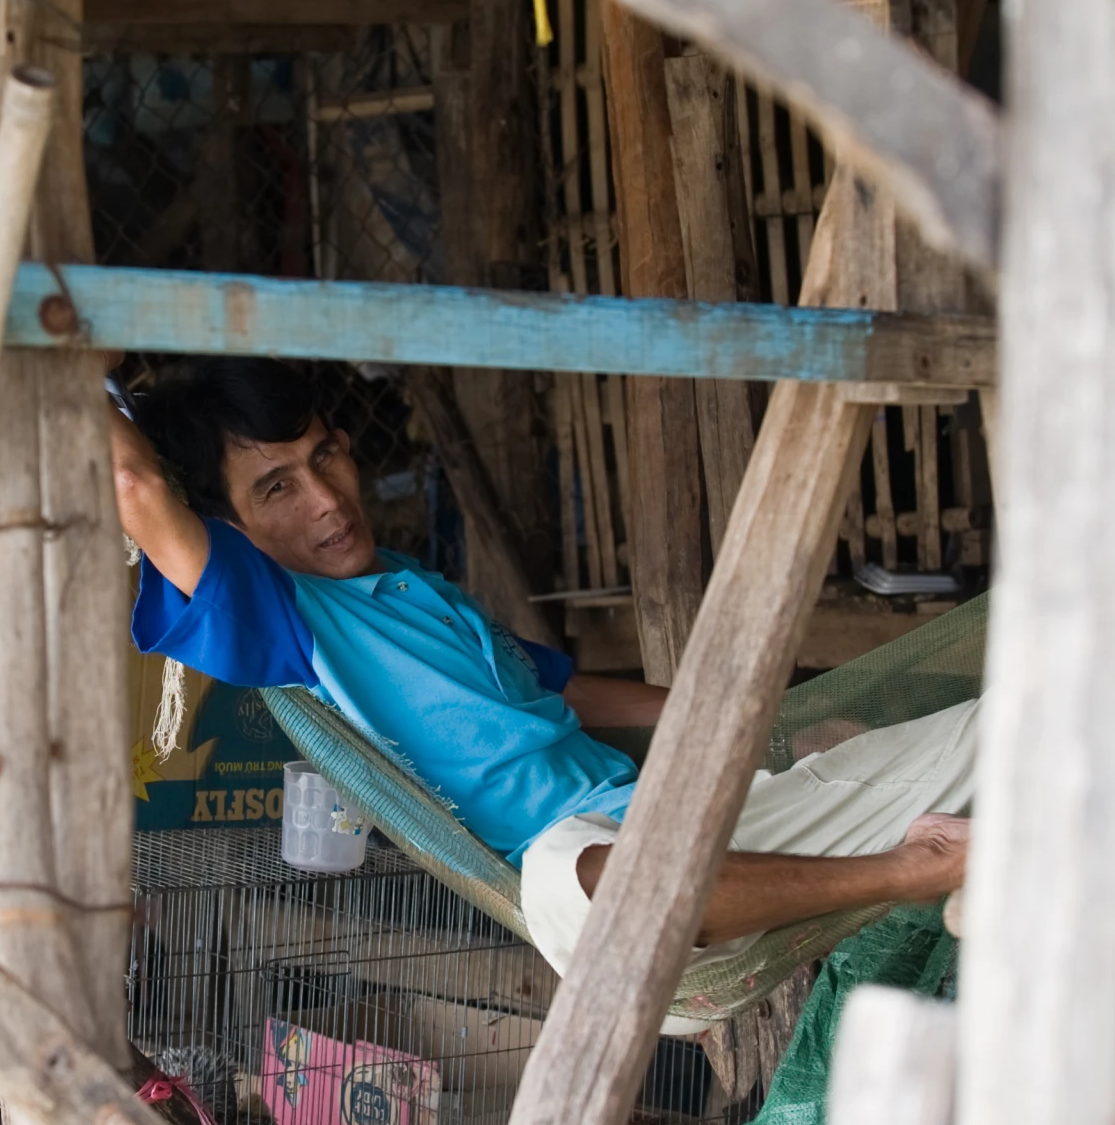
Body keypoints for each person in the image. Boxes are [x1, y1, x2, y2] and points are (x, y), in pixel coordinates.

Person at [112, 359, 971, 1026]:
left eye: (324, 455)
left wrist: (771, 724)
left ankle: (974, 877)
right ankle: (913, 871)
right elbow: (136, 487)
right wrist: (25, 315)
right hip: (592, 870)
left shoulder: (419, 591)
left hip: (711, 825)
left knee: (1003, 724)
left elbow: (566, 694)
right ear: (230, 531)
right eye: (279, 488)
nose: (329, 499)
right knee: (570, 885)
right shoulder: (284, 619)